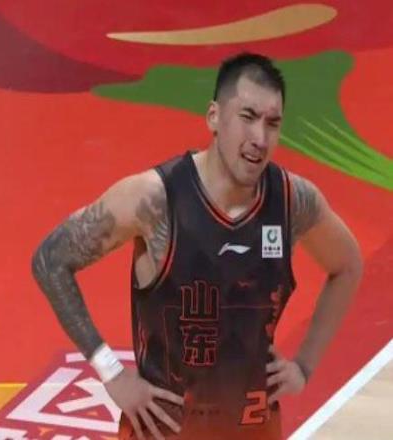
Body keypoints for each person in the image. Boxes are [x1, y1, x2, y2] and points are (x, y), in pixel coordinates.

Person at [31, 53, 363, 440]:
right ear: (214, 117)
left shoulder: (293, 201)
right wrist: (111, 371)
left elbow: (347, 265)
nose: (260, 138)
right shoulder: (155, 199)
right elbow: (50, 260)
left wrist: (304, 366)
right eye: (248, 116)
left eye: (272, 123)